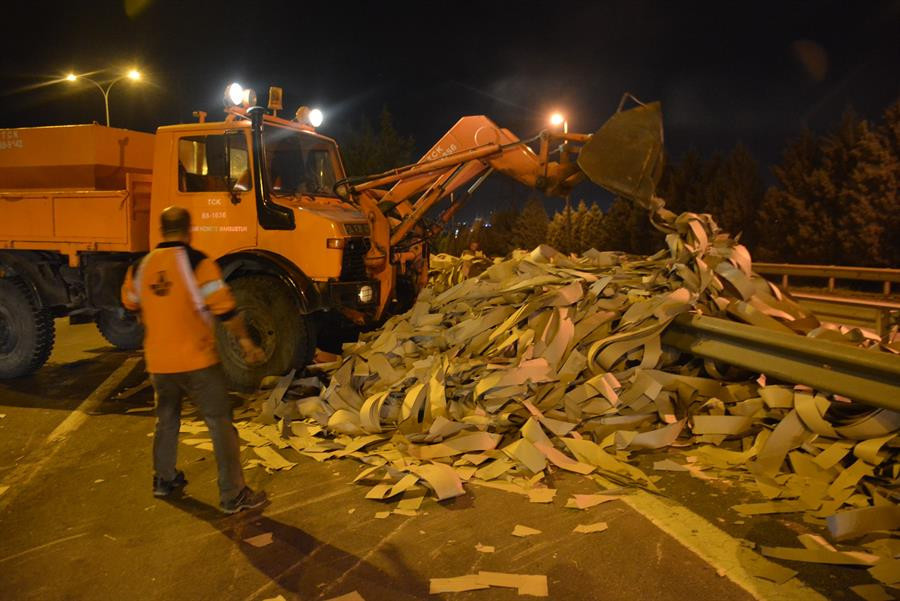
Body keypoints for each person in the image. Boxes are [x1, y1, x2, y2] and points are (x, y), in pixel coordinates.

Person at [121, 206, 268, 514]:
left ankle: (163, 480)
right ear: (189, 231)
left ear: (161, 231)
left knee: (167, 420)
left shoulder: (140, 267)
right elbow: (225, 309)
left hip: (159, 363)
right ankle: (233, 494)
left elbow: (130, 302)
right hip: (197, 362)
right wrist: (246, 342)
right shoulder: (198, 263)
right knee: (219, 423)